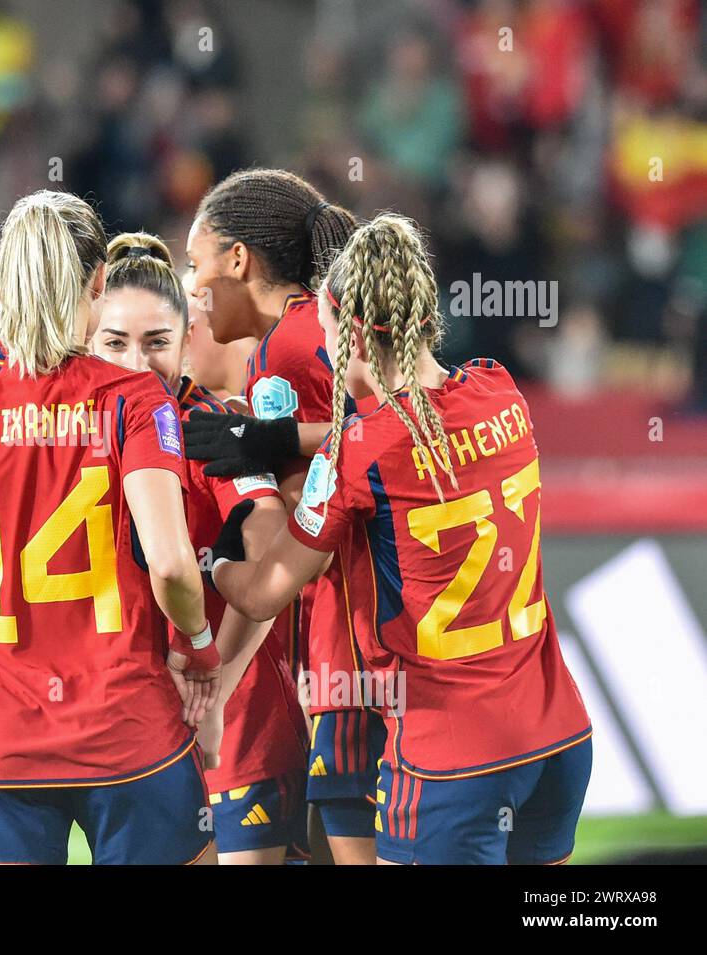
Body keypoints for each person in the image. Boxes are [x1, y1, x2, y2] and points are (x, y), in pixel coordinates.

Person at [209, 214, 592, 865]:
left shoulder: (360, 454)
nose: (327, 355)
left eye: (330, 338)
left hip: (451, 760)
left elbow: (264, 591)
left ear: (354, 333)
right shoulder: (502, 392)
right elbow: (419, 434)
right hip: (559, 739)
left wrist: (217, 557)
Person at [0, 190, 221, 865]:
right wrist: (199, 645)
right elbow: (174, 565)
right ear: (95, 283)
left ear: (0, 282)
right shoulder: (135, 399)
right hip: (126, 735)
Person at [181, 168, 383, 863]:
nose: (192, 286)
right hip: (398, 650)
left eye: (195, 261)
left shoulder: (283, 355)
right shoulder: (322, 329)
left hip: (353, 651)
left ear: (238, 260)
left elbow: (310, 535)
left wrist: (225, 560)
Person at [89, 232, 309, 864]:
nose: (135, 363)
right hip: (130, 727)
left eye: (156, 342)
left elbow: (271, 566)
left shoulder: (213, 429)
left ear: (187, 341)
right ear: (87, 341)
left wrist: (217, 694)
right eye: (114, 342)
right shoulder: (76, 428)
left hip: (234, 726)